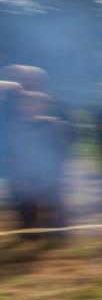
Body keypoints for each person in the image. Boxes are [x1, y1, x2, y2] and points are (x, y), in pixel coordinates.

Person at [9, 90, 75, 229]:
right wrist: (18, 176)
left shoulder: (53, 125)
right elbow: (13, 154)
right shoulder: (14, 128)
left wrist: (60, 174)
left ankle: (58, 232)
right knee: (27, 209)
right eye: (24, 104)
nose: (28, 107)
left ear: (41, 106)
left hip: (50, 173)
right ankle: (29, 233)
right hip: (25, 174)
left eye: (33, 104)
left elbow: (62, 151)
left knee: (55, 208)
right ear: (19, 107)